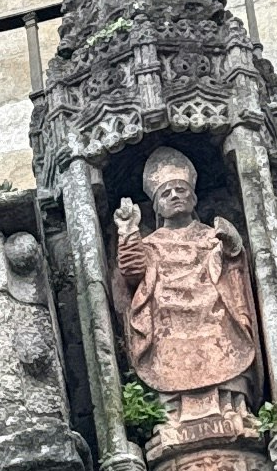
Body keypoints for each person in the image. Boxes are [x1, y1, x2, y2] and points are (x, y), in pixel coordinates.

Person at [110, 142, 262, 406]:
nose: (174, 196)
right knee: (166, 353)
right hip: (168, 320)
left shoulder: (212, 236)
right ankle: (173, 413)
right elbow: (132, 271)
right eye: (165, 193)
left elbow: (233, 270)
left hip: (212, 316)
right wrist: (128, 231)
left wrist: (232, 247)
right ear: (156, 207)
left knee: (225, 341)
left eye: (181, 190)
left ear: (193, 198)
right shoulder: (150, 244)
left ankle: (231, 404)